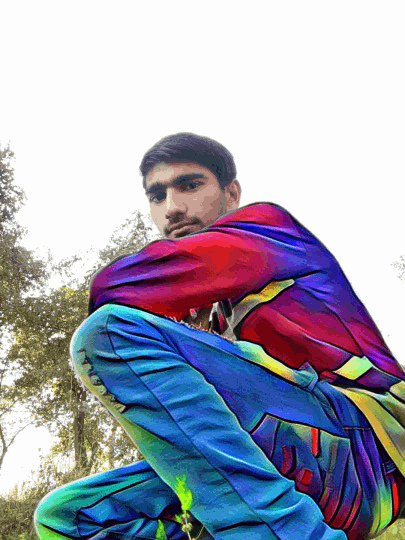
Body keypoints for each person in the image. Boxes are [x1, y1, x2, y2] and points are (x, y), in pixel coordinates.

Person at [34, 133, 405, 540]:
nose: (172, 208)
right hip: (295, 478)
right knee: (67, 517)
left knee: (107, 332)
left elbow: (114, 284)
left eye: (190, 185)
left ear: (231, 194)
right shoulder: (206, 318)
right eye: (157, 196)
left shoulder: (269, 231)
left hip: (370, 451)